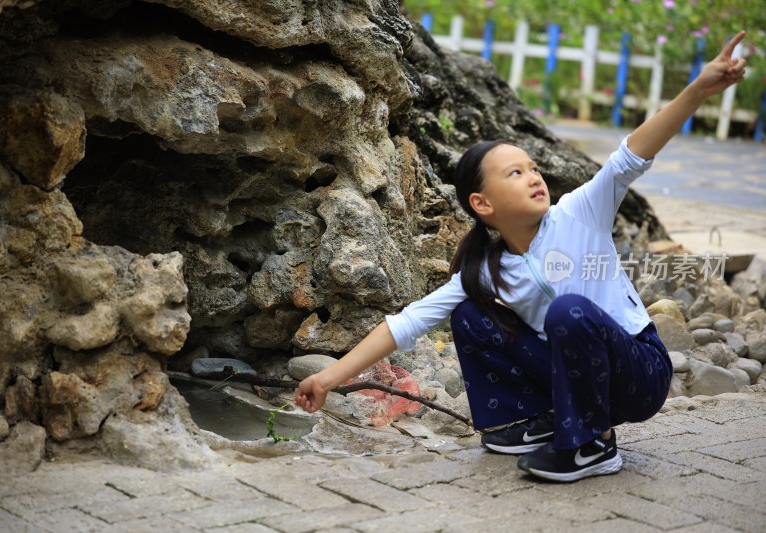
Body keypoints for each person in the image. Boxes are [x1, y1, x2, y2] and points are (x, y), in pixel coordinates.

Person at [294, 31, 748, 482]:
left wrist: (699, 89)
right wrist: (330, 377)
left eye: (533, 168)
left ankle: (595, 445)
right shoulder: (487, 268)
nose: (534, 176)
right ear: (482, 204)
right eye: (515, 172)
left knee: (568, 311)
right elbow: (407, 322)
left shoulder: (579, 213)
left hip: (639, 374)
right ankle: (541, 420)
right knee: (469, 314)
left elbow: (630, 156)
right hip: (575, 379)